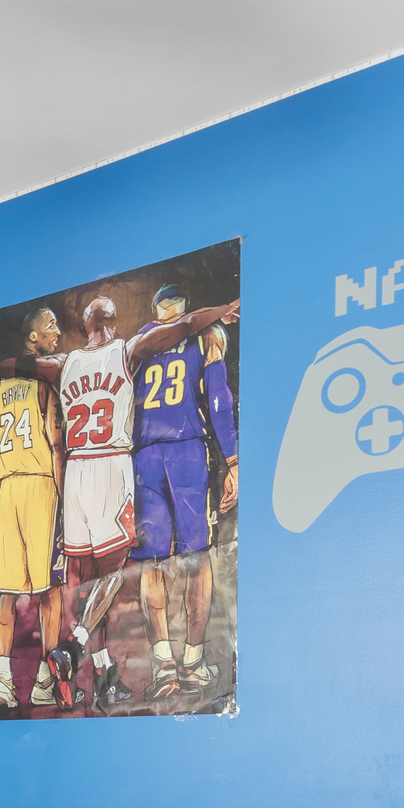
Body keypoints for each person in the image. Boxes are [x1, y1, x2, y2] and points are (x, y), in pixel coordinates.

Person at [0, 288, 240, 707]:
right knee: (137, 568)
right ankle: (91, 648)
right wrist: (223, 309)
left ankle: (127, 668)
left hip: (88, 468)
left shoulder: (65, 363)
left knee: (90, 578)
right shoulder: (132, 349)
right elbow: (192, 341)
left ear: (83, 325)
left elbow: (19, 367)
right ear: (111, 323)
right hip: (124, 462)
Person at [127, 282, 227, 698]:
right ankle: (192, 662)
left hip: (144, 456)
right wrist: (233, 461)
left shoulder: (137, 344)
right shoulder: (205, 334)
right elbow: (219, 400)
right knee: (197, 559)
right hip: (187, 450)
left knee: (151, 564)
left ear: (156, 309)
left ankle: (163, 665)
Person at [0, 307, 68, 713]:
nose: (58, 332)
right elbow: (55, 442)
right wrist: (64, 501)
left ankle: (2, 681)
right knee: (49, 591)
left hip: (7, 488)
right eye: (50, 327)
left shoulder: (2, 389)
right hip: (39, 486)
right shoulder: (43, 384)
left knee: (6, 591)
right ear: (33, 338)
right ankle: (43, 683)